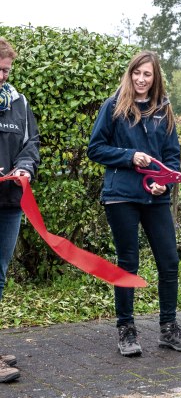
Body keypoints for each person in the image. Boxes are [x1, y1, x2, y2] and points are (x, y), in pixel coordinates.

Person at [87, 50, 181, 356]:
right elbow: (95, 149)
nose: (141, 79)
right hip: (121, 195)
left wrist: (166, 181)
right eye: (137, 73)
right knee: (128, 263)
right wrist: (129, 156)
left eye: (147, 74)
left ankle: (169, 329)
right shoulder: (114, 106)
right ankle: (126, 330)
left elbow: (172, 154)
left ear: (155, 77)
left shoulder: (164, 109)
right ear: (130, 74)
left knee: (169, 261)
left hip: (155, 197)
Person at [0, 38, 40, 382]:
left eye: (6, 70)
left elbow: (31, 143)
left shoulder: (18, 103)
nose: (2, 76)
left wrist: (25, 166)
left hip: (9, 204)